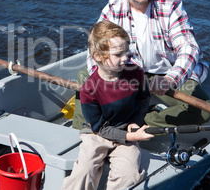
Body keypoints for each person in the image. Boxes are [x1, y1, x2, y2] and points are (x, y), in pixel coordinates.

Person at [72, 0, 210, 130]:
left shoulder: (170, 4)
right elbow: (97, 50)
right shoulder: (113, 8)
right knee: (85, 77)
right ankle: (83, 130)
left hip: (165, 73)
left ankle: (140, 123)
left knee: (203, 110)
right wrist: (106, 86)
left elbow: (189, 48)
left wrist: (170, 79)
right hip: (128, 69)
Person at [62, 20, 154, 190]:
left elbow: (143, 99)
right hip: (96, 133)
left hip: (126, 130)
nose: (125, 58)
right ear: (98, 56)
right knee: (84, 170)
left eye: (126, 51)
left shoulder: (136, 73)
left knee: (129, 175)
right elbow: (100, 128)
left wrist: (135, 122)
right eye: (118, 54)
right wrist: (132, 137)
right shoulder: (89, 89)